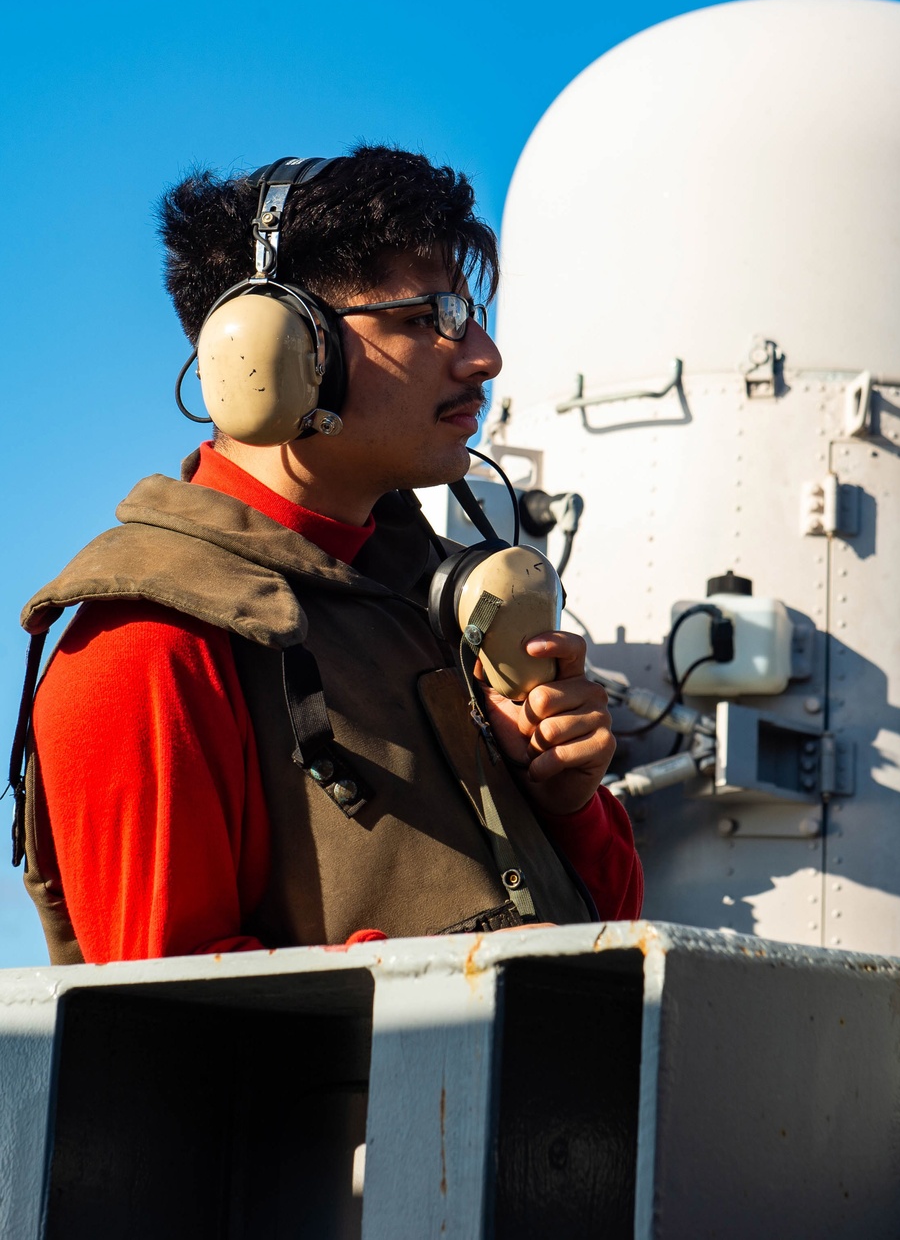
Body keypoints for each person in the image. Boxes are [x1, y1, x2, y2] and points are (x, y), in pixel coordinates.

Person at [15, 147, 642, 964]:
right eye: (431, 318)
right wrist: (450, 978)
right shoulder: (147, 644)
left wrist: (566, 804)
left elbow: (618, 941)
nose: (484, 356)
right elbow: (159, 1033)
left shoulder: (434, 606)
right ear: (278, 344)